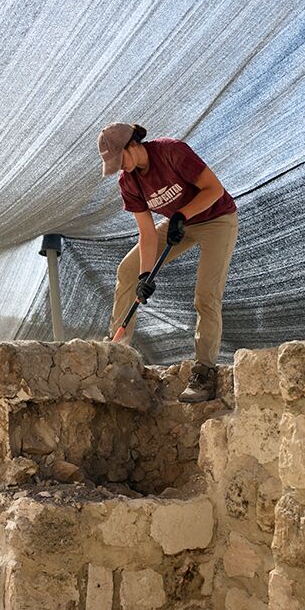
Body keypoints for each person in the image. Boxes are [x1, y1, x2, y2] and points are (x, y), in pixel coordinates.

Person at [99, 121, 238, 402]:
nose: (121, 167)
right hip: (179, 224)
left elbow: (214, 189)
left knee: (206, 295)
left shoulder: (171, 152)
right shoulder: (129, 182)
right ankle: (118, 351)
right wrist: (144, 276)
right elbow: (147, 232)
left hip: (216, 218)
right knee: (127, 270)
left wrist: (182, 214)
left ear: (133, 145)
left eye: (120, 158)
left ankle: (204, 371)